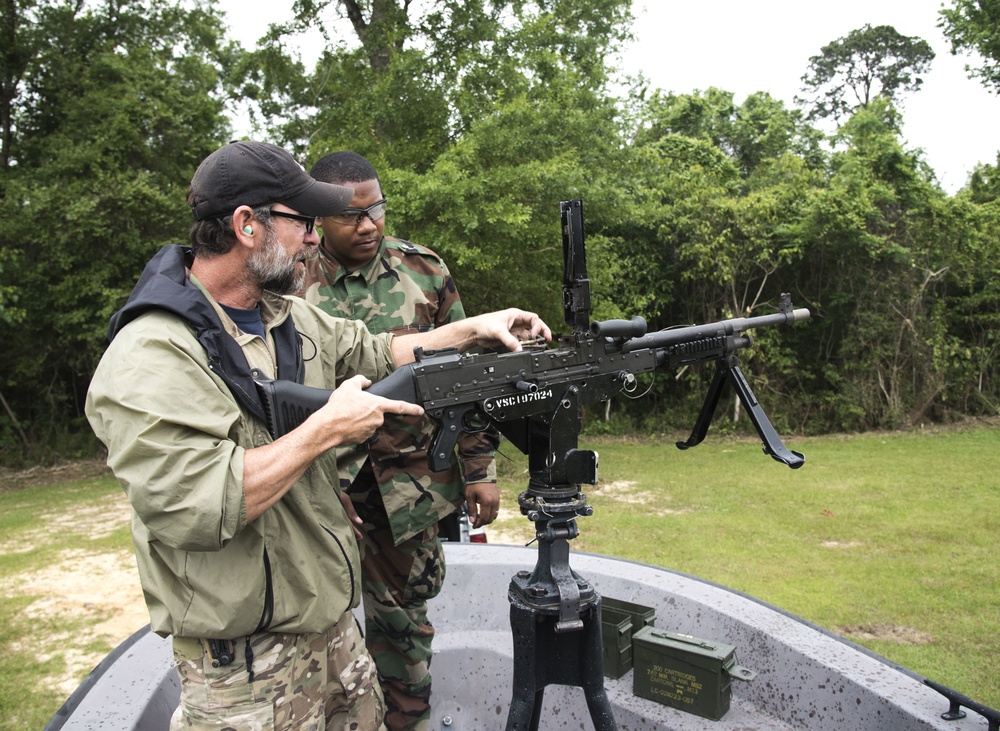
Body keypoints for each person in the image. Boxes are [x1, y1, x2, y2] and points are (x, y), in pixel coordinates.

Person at [84, 140, 551, 731]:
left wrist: (475, 330)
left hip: (333, 634)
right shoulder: (151, 355)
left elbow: (379, 350)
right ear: (246, 225)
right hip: (248, 671)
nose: (314, 236)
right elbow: (196, 506)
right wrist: (323, 431)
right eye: (303, 221)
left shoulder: (286, 315)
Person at [299, 151, 499, 731]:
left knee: (404, 625)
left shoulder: (424, 271)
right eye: (350, 216)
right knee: (316, 624)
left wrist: (480, 468)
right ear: (317, 218)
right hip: (319, 492)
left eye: (376, 209)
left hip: (410, 488)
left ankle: (406, 723)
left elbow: (471, 379)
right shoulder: (288, 279)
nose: (368, 225)